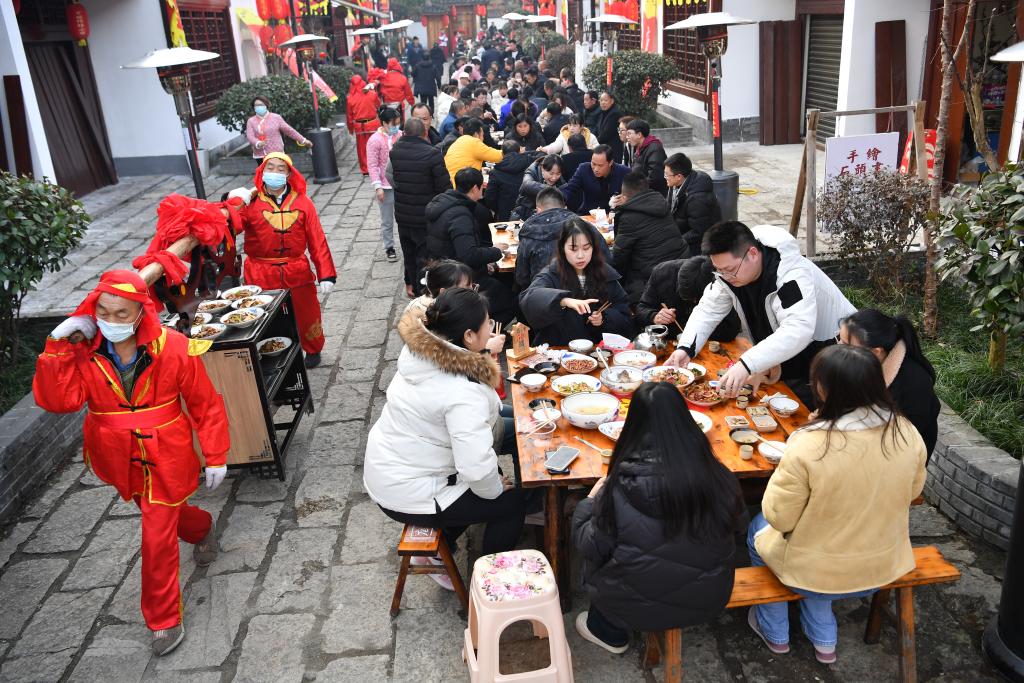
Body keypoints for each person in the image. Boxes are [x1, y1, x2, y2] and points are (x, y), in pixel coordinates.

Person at [34, 269, 230, 656]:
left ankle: (163, 619)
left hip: (167, 453)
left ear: (142, 311)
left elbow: (205, 404)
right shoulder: (83, 353)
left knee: (156, 535)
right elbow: (60, 401)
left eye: (122, 313)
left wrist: (216, 455)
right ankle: (202, 527)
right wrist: (57, 345)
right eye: (103, 312)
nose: (111, 321)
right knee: (164, 514)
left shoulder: (174, 347)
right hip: (117, 457)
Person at [747, 344, 926, 664]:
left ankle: (775, 631)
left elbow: (780, 517)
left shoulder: (809, 443)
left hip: (817, 571)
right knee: (827, 537)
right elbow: (914, 491)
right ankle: (823, 639)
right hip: (883, 565)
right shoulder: (906, 432)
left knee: (756, 529)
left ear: (823, 390)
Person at [572, 382, 742, 653]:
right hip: (708, 600)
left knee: (600, 556)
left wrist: (589, 502)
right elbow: (739, 527)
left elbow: (589, 545)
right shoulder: (720, 476)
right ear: (685, 422)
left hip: (633, 608)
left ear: (633, 425)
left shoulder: (620, 485)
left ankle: (609, 633)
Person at [365, 288, 528, 567]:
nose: (491, 328)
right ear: (468, 336)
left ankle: (452, 535)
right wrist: (495, 490)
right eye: (487, 323)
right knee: (511, 504)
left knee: (502, 458)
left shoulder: (424, 351)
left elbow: (480, 419)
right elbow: (475, 468)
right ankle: (487, 575)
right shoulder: (460, 390)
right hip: (411, 491)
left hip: (394, 467)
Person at [667, 222, 857, 404]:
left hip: (834, 351)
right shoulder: (728, 275)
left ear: (753, 253)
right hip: (786, 356)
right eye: (719, 271)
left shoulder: (790, 274)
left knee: (818, 407)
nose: (725, 277)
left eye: (730, 270)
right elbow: (708, 310)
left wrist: (747, 364)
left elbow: (798, 329)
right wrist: (686, 348)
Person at [238, 153, 335, 367]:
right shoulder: (250, 203)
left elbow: (317, 238)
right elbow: (231, 225)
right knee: (264, 316)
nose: (275, 172)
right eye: (270, 167)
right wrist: (231, 200)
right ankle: (270, 352)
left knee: (307, 312)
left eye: (280, 169)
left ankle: (313, 349)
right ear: (262, 171)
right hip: (260, 271)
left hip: (296, 269)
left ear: (289, 173)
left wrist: (326, 273)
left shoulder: (303, 202)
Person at [839, 310, 940, 457]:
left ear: (876, 352)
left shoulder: (912, 384)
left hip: (900, 457)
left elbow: (902, 442)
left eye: (846, 345)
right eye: (839, 340)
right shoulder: (867, 364)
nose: (838, 349)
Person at [520, 218, 632, 346]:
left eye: (586, 248)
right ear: (562, 248)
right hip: (559, 350)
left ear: (594, 248)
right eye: (573, 249)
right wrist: (562, 300)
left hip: (597, 350)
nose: (580, 255)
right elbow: (529, 298)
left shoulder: (605, 274)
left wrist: (603, 319)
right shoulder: (551, 273)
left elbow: (624, 316)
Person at [426, 168, 515, 323]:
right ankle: (485, 331)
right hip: (458, 277)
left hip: (445, 268)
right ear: (475, 188)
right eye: (481, 188)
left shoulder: (444, 203)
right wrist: (496, 251)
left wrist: (484, 261)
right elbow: (468, 254)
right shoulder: (461, 215)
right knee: (511, 301)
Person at [390, 117, 452, 297]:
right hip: (424, 215)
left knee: (409, 254)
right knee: (424, 257)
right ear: (425, 133)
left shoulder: (395, 151)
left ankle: (414, 289)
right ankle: (424, 293)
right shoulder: (432, 154)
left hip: (403, 214)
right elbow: (444, 186)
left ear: (405, 132)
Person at [610, 171, 689, 304]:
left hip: (654, 276)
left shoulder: (629, 218)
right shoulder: (660, 203)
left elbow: (620, 256)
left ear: (624, 196)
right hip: (680, 265)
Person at [515, 187, 608, 291]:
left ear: (538, 210)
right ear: (565, 207)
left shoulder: (529, 232)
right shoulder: (585, 227)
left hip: (543, 294)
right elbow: (607, 262)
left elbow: (521, 277)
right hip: (586, 293)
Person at [636, 256, 741, 342]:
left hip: (706, 344)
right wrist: (654, 316)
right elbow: (641, 309)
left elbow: (731, 329)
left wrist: (700, 326)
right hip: (667, 341)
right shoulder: (662, 273)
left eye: (697, 299)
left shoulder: (719, 282)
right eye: (689, 298)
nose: (694, 302)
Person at [665, 152, 721, 255]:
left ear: (679, 176)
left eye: (667, 175)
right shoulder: (677, 184)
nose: (665, 177)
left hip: (699, 245)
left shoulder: (697, 199)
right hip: (682, 231)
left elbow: (699, 232)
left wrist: (676, 242)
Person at [367, 107, 402, 264]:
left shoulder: (400, 135)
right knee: (387, 219)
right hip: (385, 186)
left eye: (398, 123)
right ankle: (389, 247)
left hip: (400, 183)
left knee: (403, 217)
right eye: (393, 124)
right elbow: (372, 165)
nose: (396, 127)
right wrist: (378, 186)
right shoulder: (374, 140)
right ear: (384, 123)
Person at [561, 144, 630, 215]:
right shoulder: (584, 169)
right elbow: (570, 188)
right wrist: (559, 200)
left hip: (615, 215)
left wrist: (626, 199)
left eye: (600, 165)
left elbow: (635, 195)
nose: (596, 169)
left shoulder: (624, 172)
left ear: (610, 163)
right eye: (593, 164)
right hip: (588, 214)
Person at [245, 95, 311, 165]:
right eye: (256, 105)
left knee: (279, 170)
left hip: (277, 153)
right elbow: (250, 136)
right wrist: (257, 143)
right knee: (264, 172)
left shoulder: (276, 118)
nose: (258, 107)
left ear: (266, 105)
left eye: (261, 105)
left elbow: (289, 131)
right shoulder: (251, 121)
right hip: (260, 155)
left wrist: (303, 140)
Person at [484, 139, 539, 221]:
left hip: (505, 213)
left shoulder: (495, 172)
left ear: (502, 154)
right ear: (520, 151)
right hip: (529, 212)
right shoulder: (530, 163)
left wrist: (500, 208)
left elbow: (490, 198)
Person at [444, 118, 504, 185]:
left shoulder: (458, 141)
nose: (483, 138)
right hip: (465, 185)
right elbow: (498, 156)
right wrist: (511, 148)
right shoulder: (474, 142)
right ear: (476, 134)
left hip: (453, 183)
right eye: (482, 135)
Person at [345, 75, 381, 175]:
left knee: (362, 149)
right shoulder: (372, 94)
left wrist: (350, 129)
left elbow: (349, 116)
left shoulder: (350, 98)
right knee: (375, 146)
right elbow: (378, 105)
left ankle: (366, 169)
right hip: (373, 125)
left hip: (360, 127)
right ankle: (377, 166)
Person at [511, 154, 564, 222]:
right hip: (524, 216)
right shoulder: (532, 171)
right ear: (542, 168)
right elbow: (525, 185)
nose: (554, 178)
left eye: (558, 174)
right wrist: (550, 189)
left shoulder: (560, 178)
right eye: (551, 173)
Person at [626, 119, 668, 196]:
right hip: (642, 192)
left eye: (629, 133)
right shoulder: (640, 148)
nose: (627, 137)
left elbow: (655, 178)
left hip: (653, 195)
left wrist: (635, 189)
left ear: (639, 134)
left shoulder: (655, 149)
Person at [379, 57, 415, 121]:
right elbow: (408, 94)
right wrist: (412, 104)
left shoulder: (383, 78)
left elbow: (380, 93)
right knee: (400, 123)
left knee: (389, 123)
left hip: (387, 107)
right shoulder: (402, 78)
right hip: (399, 107)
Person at [595, 90, 624, 163]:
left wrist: (594, 142)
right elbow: (597, 129)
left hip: (613, 149)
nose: (603, 103)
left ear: (612, 101)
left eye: (605, 100)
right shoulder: (601, 113)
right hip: (603, 148)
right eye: (601, 100)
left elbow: (607, 133)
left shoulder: (615, 114)